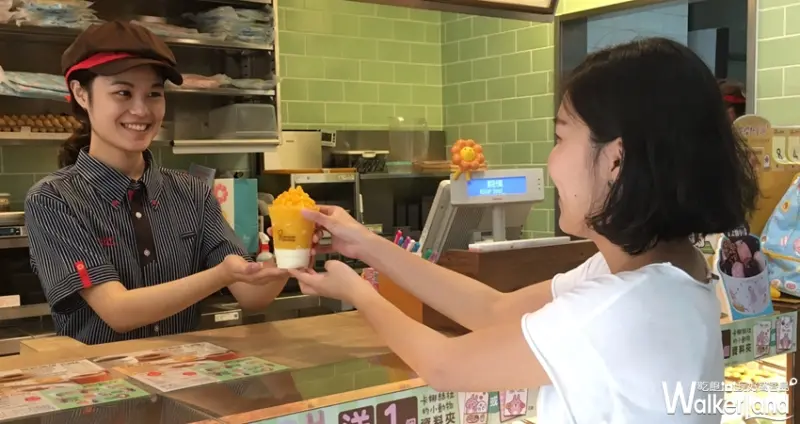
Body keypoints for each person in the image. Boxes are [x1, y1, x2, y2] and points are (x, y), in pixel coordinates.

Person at [283, 38, 759, 423]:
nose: (550, 161)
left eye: (560, 137)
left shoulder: (622, 307)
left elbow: (446, 366)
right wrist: (366, 245)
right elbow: (494, 310)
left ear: (616, 160)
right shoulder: (660, 271)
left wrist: (358, 293)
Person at [24, 21, 288, 345]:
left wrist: (292, 256)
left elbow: (251, 296)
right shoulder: (54, 199)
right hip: (102, 376)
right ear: (81, 94)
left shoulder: (192, 193)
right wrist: (220, 275)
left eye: (154, 94)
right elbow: (118, 312)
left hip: (184, 374)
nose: (141, 110)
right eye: (123, 93)